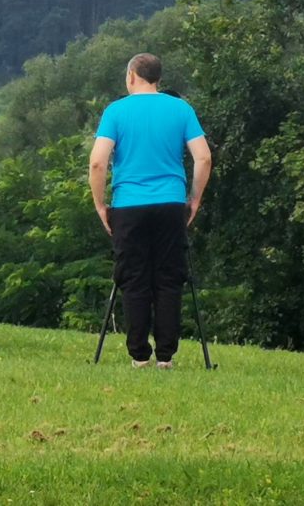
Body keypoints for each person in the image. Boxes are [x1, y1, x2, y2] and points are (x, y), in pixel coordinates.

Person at [88, 53, 212, 369]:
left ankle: (139, 355)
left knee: (134, 278)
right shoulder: (181, 109)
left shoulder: (116, 111)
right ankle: (166, 356)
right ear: (157, 78)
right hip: (171, 203)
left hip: (129, 204)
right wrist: (194, 199)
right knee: (169, 278)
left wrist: (100, 204)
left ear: (132, 76)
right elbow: (203, 158)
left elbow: (98, 162)